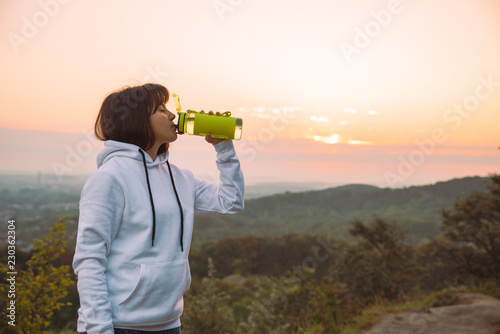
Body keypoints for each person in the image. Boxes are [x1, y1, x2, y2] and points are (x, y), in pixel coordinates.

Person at [72, 83, 245, 334]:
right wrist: (100, 328)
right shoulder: (109, 178)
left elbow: (231, 202)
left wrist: (224, 147)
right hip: (119, 325)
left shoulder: (181, 177)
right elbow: (90, 260)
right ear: (137, 119)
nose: (173, 115)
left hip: (169, 324)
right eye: (161, 109)